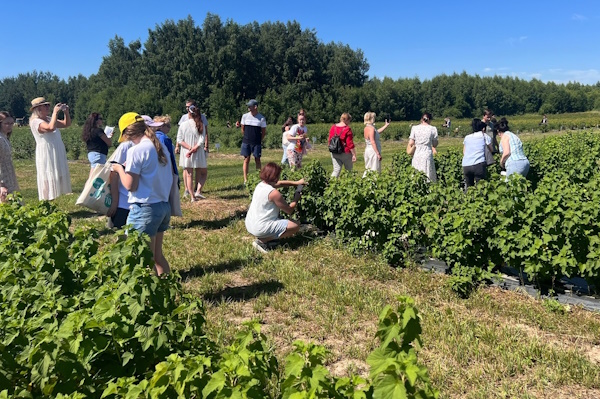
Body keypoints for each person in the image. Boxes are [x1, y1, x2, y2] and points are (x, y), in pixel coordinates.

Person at [110, 112, 173, 276]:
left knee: (142, 261)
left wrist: (119, 168)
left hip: (145, 209)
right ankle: (168, 292)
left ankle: (148, 299)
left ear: (127, 133)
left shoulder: (136, 150)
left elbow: (130, 185)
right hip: (163, 206)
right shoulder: (160, 146)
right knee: (157, 256)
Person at [245, 162, 305, 253]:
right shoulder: (273, 193)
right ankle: (263, 241)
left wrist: (297, 183)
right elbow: (289, 210)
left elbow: (280, 184)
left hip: (250, 224)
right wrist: (296, 198)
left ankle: (267, 237)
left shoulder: (261, 185)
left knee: (278, 219)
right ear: (275, 176)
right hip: (260, 227)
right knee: (295, 226)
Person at [29, 97, 72, 200]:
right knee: (48, 175)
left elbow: (66, 124)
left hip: (56, 150)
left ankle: (55, 198)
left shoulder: (48, 119)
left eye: (48, 105)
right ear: (38, 108)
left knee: (58, 173)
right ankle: (47, 201)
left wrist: (66, 112)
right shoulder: (35, 122)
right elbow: (50, 128)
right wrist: (55, 113)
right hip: (46, 152)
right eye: (45, 106)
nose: (48, 107)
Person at [177, 105, 208, 201]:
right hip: (198, 151)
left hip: (187, 152)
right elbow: (202, 139)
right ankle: (198, 191)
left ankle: (192, 196)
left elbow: (179, 139)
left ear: (189, 113)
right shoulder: (201, 124)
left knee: (189, 174)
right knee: (203, 173)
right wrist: (194, 148)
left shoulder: (183, 124)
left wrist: (189, 149)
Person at [241, 99, 267, 184]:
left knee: (257, 160)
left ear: (255, 107)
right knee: (246, 160)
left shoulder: (261, 118)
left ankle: (258, 178)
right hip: (246, 141)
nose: (249, 108)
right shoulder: (245, 116)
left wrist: (259, 140)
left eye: (250, 106)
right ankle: (245, 179)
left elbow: (263, 132)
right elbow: (243, 129)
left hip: (256, 143)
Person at [462, 118, 494, 188]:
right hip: (479, 164)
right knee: (480, 187)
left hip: (466, 165)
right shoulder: (484, 136)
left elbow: (464, 152)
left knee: (469, 187)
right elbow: (491, 149)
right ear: (482, 128)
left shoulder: (467, 137)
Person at [407, 113, 438, 182]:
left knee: (417, 171)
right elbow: (434, 144)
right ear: (429, 120)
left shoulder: (415, 128)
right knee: (428, 172)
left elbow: (411, 142)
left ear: (421, 119)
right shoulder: (433, 129)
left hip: (417, 153)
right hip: (427, 153)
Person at [328, 113, 356, 177]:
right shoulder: (347, 129)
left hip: (334, 151)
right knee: (349, 170)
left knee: (336, 170)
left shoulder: (333, 127)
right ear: (346, 120)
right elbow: (350, 143)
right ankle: (349, 184)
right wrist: (354, 154)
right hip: (345, 152)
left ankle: (331, 184)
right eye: (349, 121)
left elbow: (329, 139)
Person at [0, 111, 19, 195]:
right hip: (2, 175)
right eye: (6, 123)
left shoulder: (5, 137)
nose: (9, 126)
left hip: (9, 172)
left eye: (11, 123)